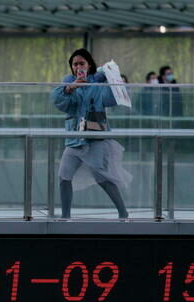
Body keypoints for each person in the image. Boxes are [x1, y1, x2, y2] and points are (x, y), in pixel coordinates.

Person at [50, 48, 132, 219]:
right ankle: (65, 216)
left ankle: (123, 212)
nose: (78, 67)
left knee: (102, 177)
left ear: (89, 65)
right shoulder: (69, 81)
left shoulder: (97, 81)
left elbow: (111, 100)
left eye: (82, 63)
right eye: (75, 64)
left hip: (94, 139)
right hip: (73, 139)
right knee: (64, 177)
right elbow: (59, 101)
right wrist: (72, 87)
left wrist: (109, 77)